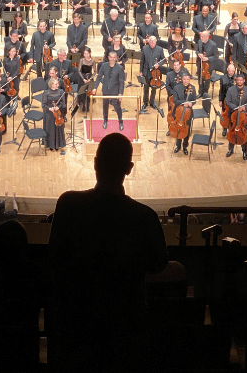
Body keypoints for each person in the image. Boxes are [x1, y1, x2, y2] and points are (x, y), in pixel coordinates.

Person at [49, 133, 169, 373]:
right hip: (126, 331)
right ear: (129, 168)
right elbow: (158, 265)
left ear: (95, 163)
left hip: (77, 329)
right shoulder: (145, 217)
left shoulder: (68, 205)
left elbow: (55, 258)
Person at [91, 51, 125, 130]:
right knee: (105, 106)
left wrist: (120, 93)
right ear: (108, 58)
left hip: (115, 90)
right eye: (111, 57)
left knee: (117, 106)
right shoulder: (104, 65)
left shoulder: (120, 68)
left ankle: (120, 121)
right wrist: (95, 87)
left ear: (116, 58)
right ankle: (105, 120)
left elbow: (121, 82)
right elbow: (99, 77)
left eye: (114, 57)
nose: (112, 59)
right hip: (105, 89)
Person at [225, 73, 247, 159]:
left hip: (243, 118)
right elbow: (228, 102)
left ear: (244, 81)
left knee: (243, 134)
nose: (240, 81)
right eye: (238, 80)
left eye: (241, 80)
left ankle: (244, 151)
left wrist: (244, 107)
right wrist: (237, 108)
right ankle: (230, 149)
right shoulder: (230, 90)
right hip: (232, 115)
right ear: (236, 80)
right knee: (231, 132)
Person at [171, 72, 196, 154]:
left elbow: (194, 100)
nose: (186, 81)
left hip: (188, 113)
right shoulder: (176, 87)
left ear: (189, 80)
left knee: (186, 130)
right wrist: (184, 102)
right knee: (178, 128)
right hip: (178, 112)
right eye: (184, 79)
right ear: (182, 79)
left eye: (188, 79)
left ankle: (185, 146)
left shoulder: (192, 88)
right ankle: (178, 145)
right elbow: (175, 100)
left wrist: (191, 103)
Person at [139, 36, 164, 112]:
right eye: (150, 41)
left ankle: (152, 101)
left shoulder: (160, 49)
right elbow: (142, 61)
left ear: (156, 41)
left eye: (153, 41)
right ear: (148, 41)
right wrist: (140, 71)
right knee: (146, 88)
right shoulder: (144, 48)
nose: (152, 42)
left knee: (153, 88)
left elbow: (164, 60)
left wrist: (158, 64)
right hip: (146, 71)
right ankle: (145, 102)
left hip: (155, 73)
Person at [42, 76, 66, 152]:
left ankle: (58, 144)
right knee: (50, 128)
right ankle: (50, 145)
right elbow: (43, 105)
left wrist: (58, 107)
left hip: (58, 112)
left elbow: (63, 103)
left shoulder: (61, 92)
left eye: (58, 84)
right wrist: (50, 108)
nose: (58, 85)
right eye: (56, 84)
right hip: (49, 112)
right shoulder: (46, 92)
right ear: (51, 85)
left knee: (58, 127)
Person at [196, 30, 218, 95]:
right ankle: (200, 92)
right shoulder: (199, 41)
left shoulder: (213, 45)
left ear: (207, 37)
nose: (201, 38)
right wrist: (199, 54)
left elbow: (216, 56)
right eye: (201, 36)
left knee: (207, 79)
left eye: (202, 36)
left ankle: (205, 93)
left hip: (208, 65)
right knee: (200, 78)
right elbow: (196, 50)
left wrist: (207, 58)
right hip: (200, 63)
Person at [77, 47, 97, 115]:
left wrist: (90, 79)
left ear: (90, 53)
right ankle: (83, 105)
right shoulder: (82, 60)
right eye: (84, 54)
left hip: (89, 77)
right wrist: (83, 79)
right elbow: (79, 71)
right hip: (82, 77)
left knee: (88, 92)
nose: (85, 55)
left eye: (87, 54)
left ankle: (87, 105)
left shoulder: (93, 61)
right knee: (82, 92)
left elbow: (95, 72)